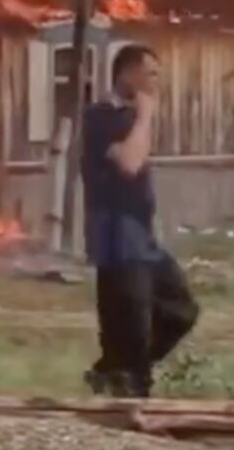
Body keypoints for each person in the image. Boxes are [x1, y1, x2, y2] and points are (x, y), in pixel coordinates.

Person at [81, 43, 199, 397]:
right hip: (115, 234)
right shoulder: (100, 116)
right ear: (127, 73)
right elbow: (130, 164)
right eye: (150, 74)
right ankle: (129, 384)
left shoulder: (130, 119)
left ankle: (118, 372)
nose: (154, 82)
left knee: (181, 308)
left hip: (141, 233)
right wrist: (146, 117)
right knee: (129, 319)